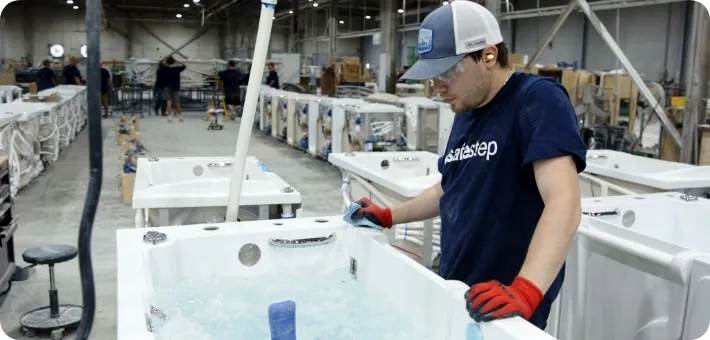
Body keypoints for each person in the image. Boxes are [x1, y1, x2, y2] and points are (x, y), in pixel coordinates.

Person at [344, 0, 587, 330]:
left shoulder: (536, 100)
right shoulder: (466, 111)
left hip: (505, 307)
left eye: (447, 72)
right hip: (459, 293)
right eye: (433, 75)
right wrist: (389, 215)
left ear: (488, 56)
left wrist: (526, 290)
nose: (437, 86)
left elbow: (565, 202)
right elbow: (450, 187)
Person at [160, 56, 187, 122]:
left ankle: (169, 117)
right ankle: (180, 117)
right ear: (173, 62)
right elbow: (185, 66)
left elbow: (159, 63)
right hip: (176, 87)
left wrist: (164, 59)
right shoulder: (177, 69)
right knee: (177, 102)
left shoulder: (165, 68)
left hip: (167, 87)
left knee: (169, 102)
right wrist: (177, 61)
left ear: (166, 62)